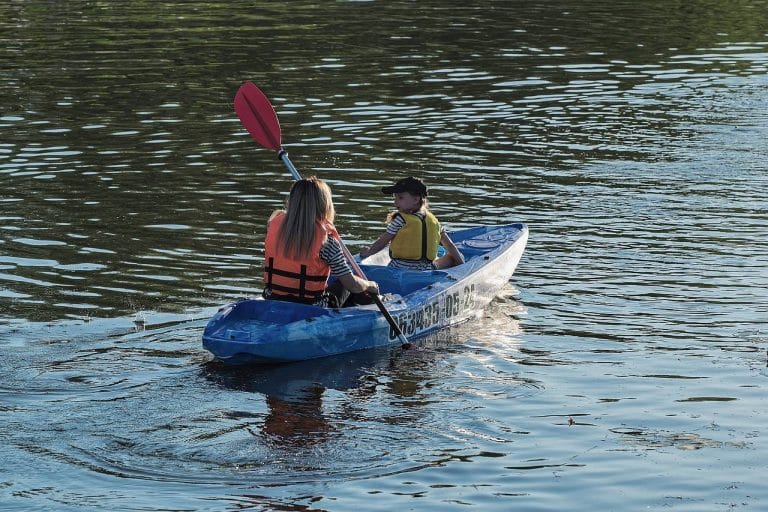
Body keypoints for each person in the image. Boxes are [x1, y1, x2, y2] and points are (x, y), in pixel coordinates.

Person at [263, 176, 379, 308]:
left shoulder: (273, 228)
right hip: (311, 307)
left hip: (272, 299)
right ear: (325, 204)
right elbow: (352, 285)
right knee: (346, 284)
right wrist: (370, 285)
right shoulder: (327, 241)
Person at [359, 176, 464, 270]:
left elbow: (382, 241)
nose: (395, 202)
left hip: (398, 268)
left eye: (400, 197)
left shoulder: (400, 219)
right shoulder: (434, 220)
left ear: (415, 199)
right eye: (394, 197)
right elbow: (449, 245)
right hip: (427, 269)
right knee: (451, 257)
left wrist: (368, 253)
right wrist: (462, 265)